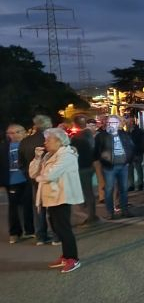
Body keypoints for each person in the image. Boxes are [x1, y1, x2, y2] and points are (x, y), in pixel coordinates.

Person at [28, 128, 84, 273]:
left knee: (64, 229)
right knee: (57, 228)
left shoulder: (67, 155)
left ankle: (73, 258)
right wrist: (37, 158)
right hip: (51, 197)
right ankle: (66, 256)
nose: (45, 143)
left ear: (59, 141)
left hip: (62, 196)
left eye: (48, 140)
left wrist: (40, 177)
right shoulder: (48, 156)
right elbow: (33, 173)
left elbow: (49, 175)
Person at [19, 115, 59, 245]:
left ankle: (41, 236)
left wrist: (30, 176)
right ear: (48, 124)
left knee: (38, 208)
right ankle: (56, 236)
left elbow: (21, 163)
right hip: (50, 178)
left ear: (35, 125)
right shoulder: (51, 140)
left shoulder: (25, 141)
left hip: (34, 179)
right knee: (53, 208)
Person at [95, 115, 135, 219]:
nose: (110, 125)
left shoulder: (124, 135)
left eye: (113, 123)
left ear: (118, 124)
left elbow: (131, 147)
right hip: (109, 167)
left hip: (123, 165)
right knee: (109, 189)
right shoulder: (101, 136)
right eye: (109, 123)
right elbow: (97, 151)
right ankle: (110, 212)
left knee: (123, 189)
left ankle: (125, 210)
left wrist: (128, 160)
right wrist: (104, 161)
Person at [1, 124, 35, 243]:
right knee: (14, 207)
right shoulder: (4, 147)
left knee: (28, 205)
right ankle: (14, 233)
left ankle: (29, 230)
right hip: (12, 182)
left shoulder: (27, 144)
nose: (16, 135)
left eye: (18, 132)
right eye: (12, 133)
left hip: (27, 180)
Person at [70, 115, 99, 226]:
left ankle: (89, 215)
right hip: (89, 165)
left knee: (85, 192)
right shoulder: (89, 135)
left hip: (81, 166)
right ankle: (91, 214)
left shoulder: (76, 137)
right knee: (88, 191)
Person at [127, 117, 144, 192]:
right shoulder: (128, 132)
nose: (127, 124)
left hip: (137, 153)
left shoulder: (139, 131)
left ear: (132, 122)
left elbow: (142, 142)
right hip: (130, 154)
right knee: (130, 170)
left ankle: (140, 184)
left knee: (138, 169)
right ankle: (131, 185)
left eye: (128, 122)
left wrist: (140, 150)